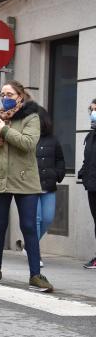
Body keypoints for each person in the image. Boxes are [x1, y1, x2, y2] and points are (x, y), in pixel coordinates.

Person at [0, 80, 54, 292]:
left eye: (9, 93)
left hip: (24, 179)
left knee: (29, 226)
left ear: (20, 96)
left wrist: (4, 130)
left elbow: (28, 144)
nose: (5, 97)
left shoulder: (31, 117)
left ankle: (35, 275)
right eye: (2, 93)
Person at [33, 107, 65, 267]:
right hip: (30, 187)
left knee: (47, 218)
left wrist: (58, 174)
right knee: (36, 220)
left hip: (48, 186)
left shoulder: (53, 140)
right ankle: (35, 254)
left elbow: (60, 159)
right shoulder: (27, 138)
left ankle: (29, 244)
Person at [79, 98, 96, 269]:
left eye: (95, 110)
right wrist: (83, 173)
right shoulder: (91, 135)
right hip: (92, 185)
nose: (92, 113)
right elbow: (88, 159)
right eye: (91, 110)